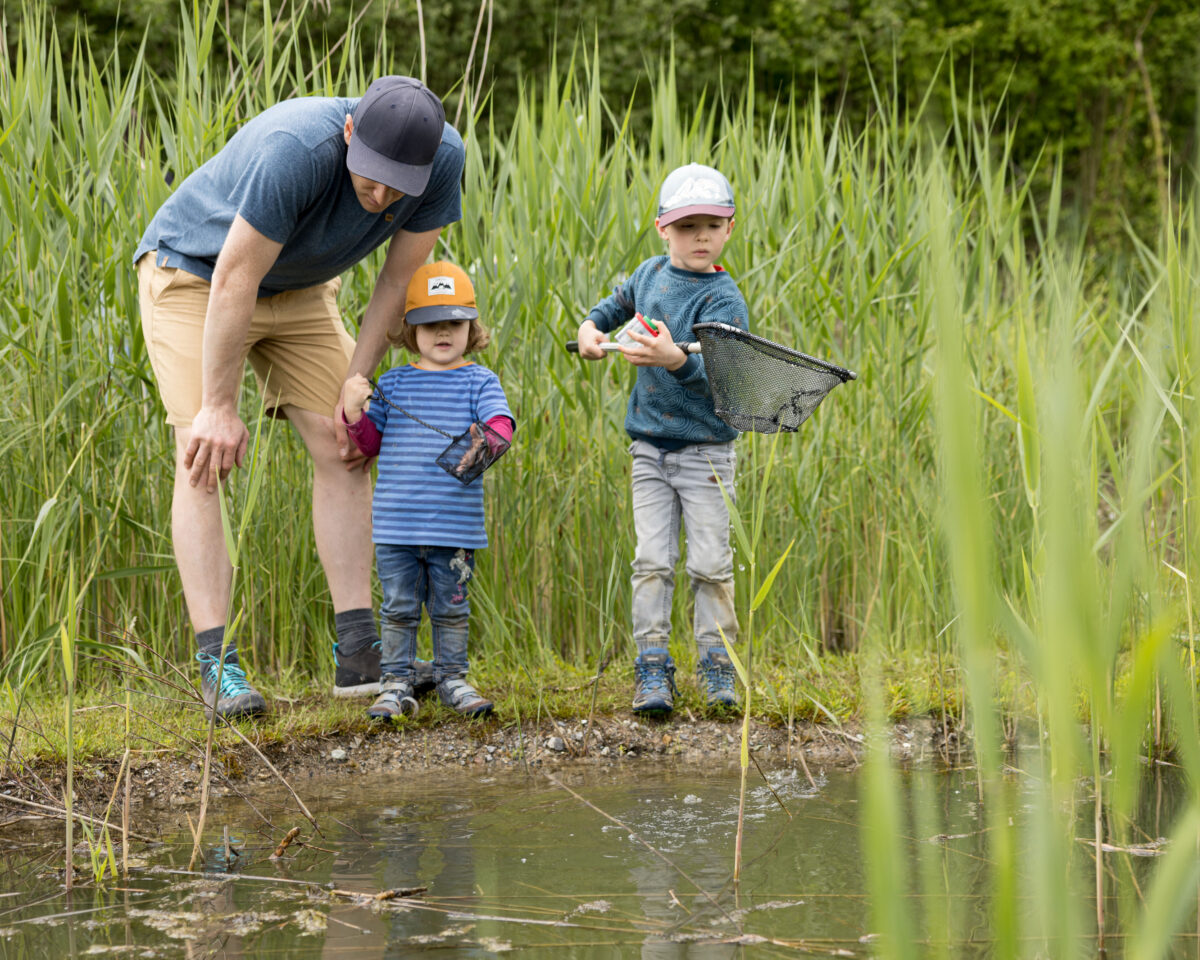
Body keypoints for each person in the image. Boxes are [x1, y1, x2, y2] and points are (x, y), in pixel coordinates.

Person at [133, 76, 465, 718]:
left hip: (303, 290)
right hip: (199, 274)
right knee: (202, 453)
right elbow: (236, 276)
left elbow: (396, 282)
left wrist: (356, 381)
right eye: (371, 177)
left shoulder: (444, 160)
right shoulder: (296, 146)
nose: (382, 195)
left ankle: (360, 652)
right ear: (348, 136)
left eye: (399, 184)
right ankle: (217, 664)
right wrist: (220, 406)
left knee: (347, 442)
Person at [575, 163, 748, 715]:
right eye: (687, 225)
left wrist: (677, 361)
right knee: (651, 560)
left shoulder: (724, 301)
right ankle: (653, 669)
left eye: (712, 225)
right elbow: (614, 305)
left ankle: (719, 668)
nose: (700, 236)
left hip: (707, 453)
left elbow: (727, 385)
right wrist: (590, 328)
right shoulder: (649, 274)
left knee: (710, 565)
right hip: (648, 450)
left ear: (729, 229)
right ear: (662, 229)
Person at [341, 261, 513, 719]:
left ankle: (452, 678)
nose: (442, 332)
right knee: (398, 608)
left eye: (453, 323)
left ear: (470, 327)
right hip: (396, 528)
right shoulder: (394, 383)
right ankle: (395, 683)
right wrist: (355, 415)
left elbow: (501, 424)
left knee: (452, 608)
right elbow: (369, 445)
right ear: (408, 329)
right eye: (429, 323)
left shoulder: (480, 381)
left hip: (455, 530)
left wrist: (489, 438)